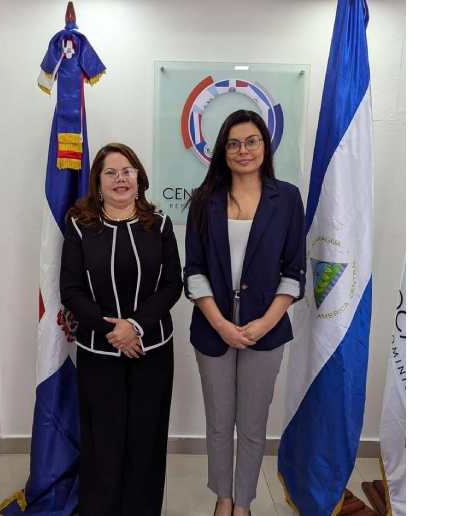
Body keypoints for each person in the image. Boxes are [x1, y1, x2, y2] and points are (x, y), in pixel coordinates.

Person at [184, 110, 306, 516]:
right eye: (234, 143)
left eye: (252, 141)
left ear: (264, 146)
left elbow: (294, 270)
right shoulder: (204, 200)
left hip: (266, 330)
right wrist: (221, 324)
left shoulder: (286, 199)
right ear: (223, 150)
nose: (243, 150)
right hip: (212, 329)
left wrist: (265, 323)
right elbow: (193, 270)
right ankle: (223, 499)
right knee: (219, 422)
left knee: (253, 424)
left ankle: (243, 503)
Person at [60, 142, 182, 516]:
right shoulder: (80, 226)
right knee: (103, 442)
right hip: (99, 353)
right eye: (110, 173)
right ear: (97, 182)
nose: (120, 179)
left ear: (139, 178)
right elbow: (71, 290)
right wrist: (113, 331)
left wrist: (136, 327)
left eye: (127, 171)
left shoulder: (159, 224)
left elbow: (172, 284)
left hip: (152, 351)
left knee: (146, 440)